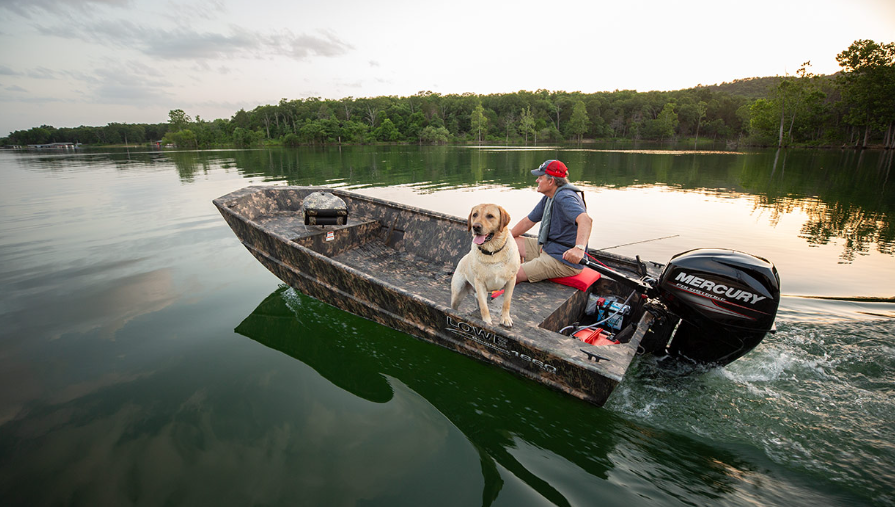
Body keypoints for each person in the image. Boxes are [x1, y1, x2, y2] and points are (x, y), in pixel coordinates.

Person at [511, 159, 593, 283]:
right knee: (510, 243)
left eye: (540, 177)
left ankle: (518, 277)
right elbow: (528, 221)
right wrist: (507, 237)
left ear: (551, 181)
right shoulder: (550, 197)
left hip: (563, 260)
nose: (537, 180)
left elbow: (586, 220)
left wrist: (579, 249)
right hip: (549, 248)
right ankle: (524, 270)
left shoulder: (564, 197)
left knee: (511, 275)